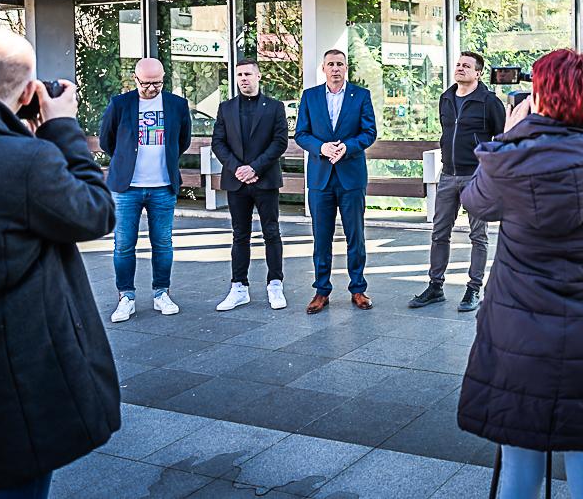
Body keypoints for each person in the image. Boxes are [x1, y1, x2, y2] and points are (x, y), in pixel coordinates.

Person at [457, 49, 583, 499]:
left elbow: (475, 201)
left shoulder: (513, 163)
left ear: (541, 97)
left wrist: (510, 136)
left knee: (520, 470)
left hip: (519, 334)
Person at [0, 28, 119, 499]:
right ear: (29, 93)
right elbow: (94, 212)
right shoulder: (23, 161)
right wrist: (62, 127)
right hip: (1, 402)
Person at [409, 50, 505, 313]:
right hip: (448, 175)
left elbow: (501, 139)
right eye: (458, 64)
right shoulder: (446, 98)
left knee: (478, 235)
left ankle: (473, 289)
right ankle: (435, 287)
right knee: (439, 232)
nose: (460, 68)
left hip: (477, 177)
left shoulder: (489, 102)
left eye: (466, 66)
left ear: (478, 73)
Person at [99, 56, 193, 323]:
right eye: (146, 83)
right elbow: (107, 141)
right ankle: (126, 297)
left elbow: (182, 141)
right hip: (126, 187)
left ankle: (161, 293)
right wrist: (126, 160)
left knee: (162, 243)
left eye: (157, 83)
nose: (152, 88)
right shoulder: (120, 104)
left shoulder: (177, 105)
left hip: (163, 186)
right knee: (123, 245)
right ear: (135, 79)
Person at [295, 48, 378, 314]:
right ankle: (321, 291)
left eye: (340, 64)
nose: (335, 68)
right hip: (320, 178)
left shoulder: (361, 96)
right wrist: (321, 147)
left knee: (356, 235)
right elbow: (301, 134)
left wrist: (347, 147)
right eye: (330, 64)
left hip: (351, 176)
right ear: (323, 68)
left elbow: (369, 132)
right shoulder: (310, 96)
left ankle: (358, 289)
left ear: (346, 68)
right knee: (321, 237)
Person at [212, 59, 290, 311]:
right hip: (236, 182)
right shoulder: (225, 108)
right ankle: (239, 287)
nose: (243, 78)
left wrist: (255, 168)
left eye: (248, 74)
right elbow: (218, 143)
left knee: (271, 232)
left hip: (265, 180)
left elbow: (280, 142)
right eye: (239, 75)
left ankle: (275, 285)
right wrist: (238, 168)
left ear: (258, 76)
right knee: (240, 235)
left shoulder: (275, 107)